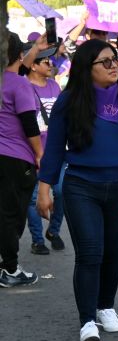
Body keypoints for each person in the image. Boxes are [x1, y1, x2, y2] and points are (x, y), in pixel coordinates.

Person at [37, 39, 118, 341]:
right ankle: (87, 320)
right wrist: (44, 189)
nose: (114, 65)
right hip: (81, 186)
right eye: (105, 62)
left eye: (114, 59)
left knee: (113, 253)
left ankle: (105, 307)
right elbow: (53, 150)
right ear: (87, 69)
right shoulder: (69, 101)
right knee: (90, 253)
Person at [0, 33, 44, 287]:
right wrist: (40, 154)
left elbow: (22, 66)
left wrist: (36, 49)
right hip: (15, 158)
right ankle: (10, 268)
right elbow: (29, 123)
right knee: (12, 215)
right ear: (18, 54)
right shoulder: (19, 84)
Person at [24, 45, 65, 255]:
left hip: (57, 151)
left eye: (52, 60)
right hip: (32, 152)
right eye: (46, 61)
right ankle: (37, 240)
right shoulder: (24, 88)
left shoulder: (55, 86)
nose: (51, 64)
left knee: (61, 192)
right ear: (33, 65)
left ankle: (54, 231)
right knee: (34, 198)